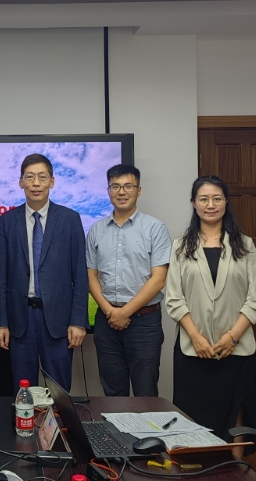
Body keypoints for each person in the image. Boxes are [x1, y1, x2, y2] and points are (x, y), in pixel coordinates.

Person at [165, 175, 256, 454]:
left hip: (237, 349)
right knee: (192, 413)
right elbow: (174, 299)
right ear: (194, 204)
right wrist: (196, 338)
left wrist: (232, 337)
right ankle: (197, 466)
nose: (210, 205)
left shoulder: (245, 245)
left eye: (217, 198)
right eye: (204, 199)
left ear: (226, 202)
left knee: (236, 411)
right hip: (193, 349)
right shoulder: (180, 247)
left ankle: (237, 467)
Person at [0, 153, 89, 391]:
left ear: (52, 181)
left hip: (58, 320)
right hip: (20, 319)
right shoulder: (7, 221)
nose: (36, 183)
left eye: (42, 177)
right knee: (23, 390)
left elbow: (80, 274)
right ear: (21, 182)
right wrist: (2, 323)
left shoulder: (70, 219)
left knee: (58, 391)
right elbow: (1, 277)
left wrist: (78, 321)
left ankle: (57, 419)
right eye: (30, 177)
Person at [86, 164, 172, 397]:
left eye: (128, 186)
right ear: (108, 190)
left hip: (144, 323)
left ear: (138, 190)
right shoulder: (96, 230)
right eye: (115, 186)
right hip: (106, 322)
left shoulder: (155, 228)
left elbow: (158, 279)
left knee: (145, 393)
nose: (121, 192)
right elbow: (91, 276)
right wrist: (110, 312)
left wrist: (125, 313)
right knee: (113, 394)